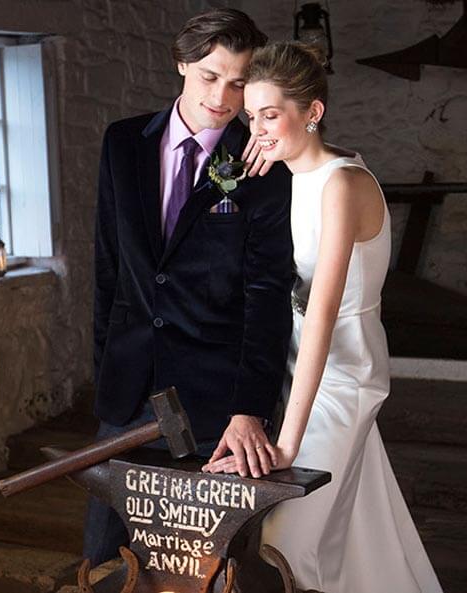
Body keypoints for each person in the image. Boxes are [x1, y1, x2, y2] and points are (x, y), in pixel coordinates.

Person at [204, 42, 444, 593]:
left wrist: (286, 445)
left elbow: (320, 318)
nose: (256, 130)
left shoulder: (343, 184)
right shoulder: (288, 175)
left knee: (289, 537)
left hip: (341, 374)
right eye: (250, 116)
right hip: (295, 366)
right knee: (359, 536)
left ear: (312, 112)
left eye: (271, 115)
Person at [87, 10, 294, 567]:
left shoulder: (263, 165)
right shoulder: (123, 142)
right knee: (106, 563)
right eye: (209, 75)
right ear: (181, 63)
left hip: (218, 407)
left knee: (209, 568)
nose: (222, 96)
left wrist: (251, 408)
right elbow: (109, 267)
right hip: (127, 393)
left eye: (239, 82)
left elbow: (269, 293)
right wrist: (105, 366)